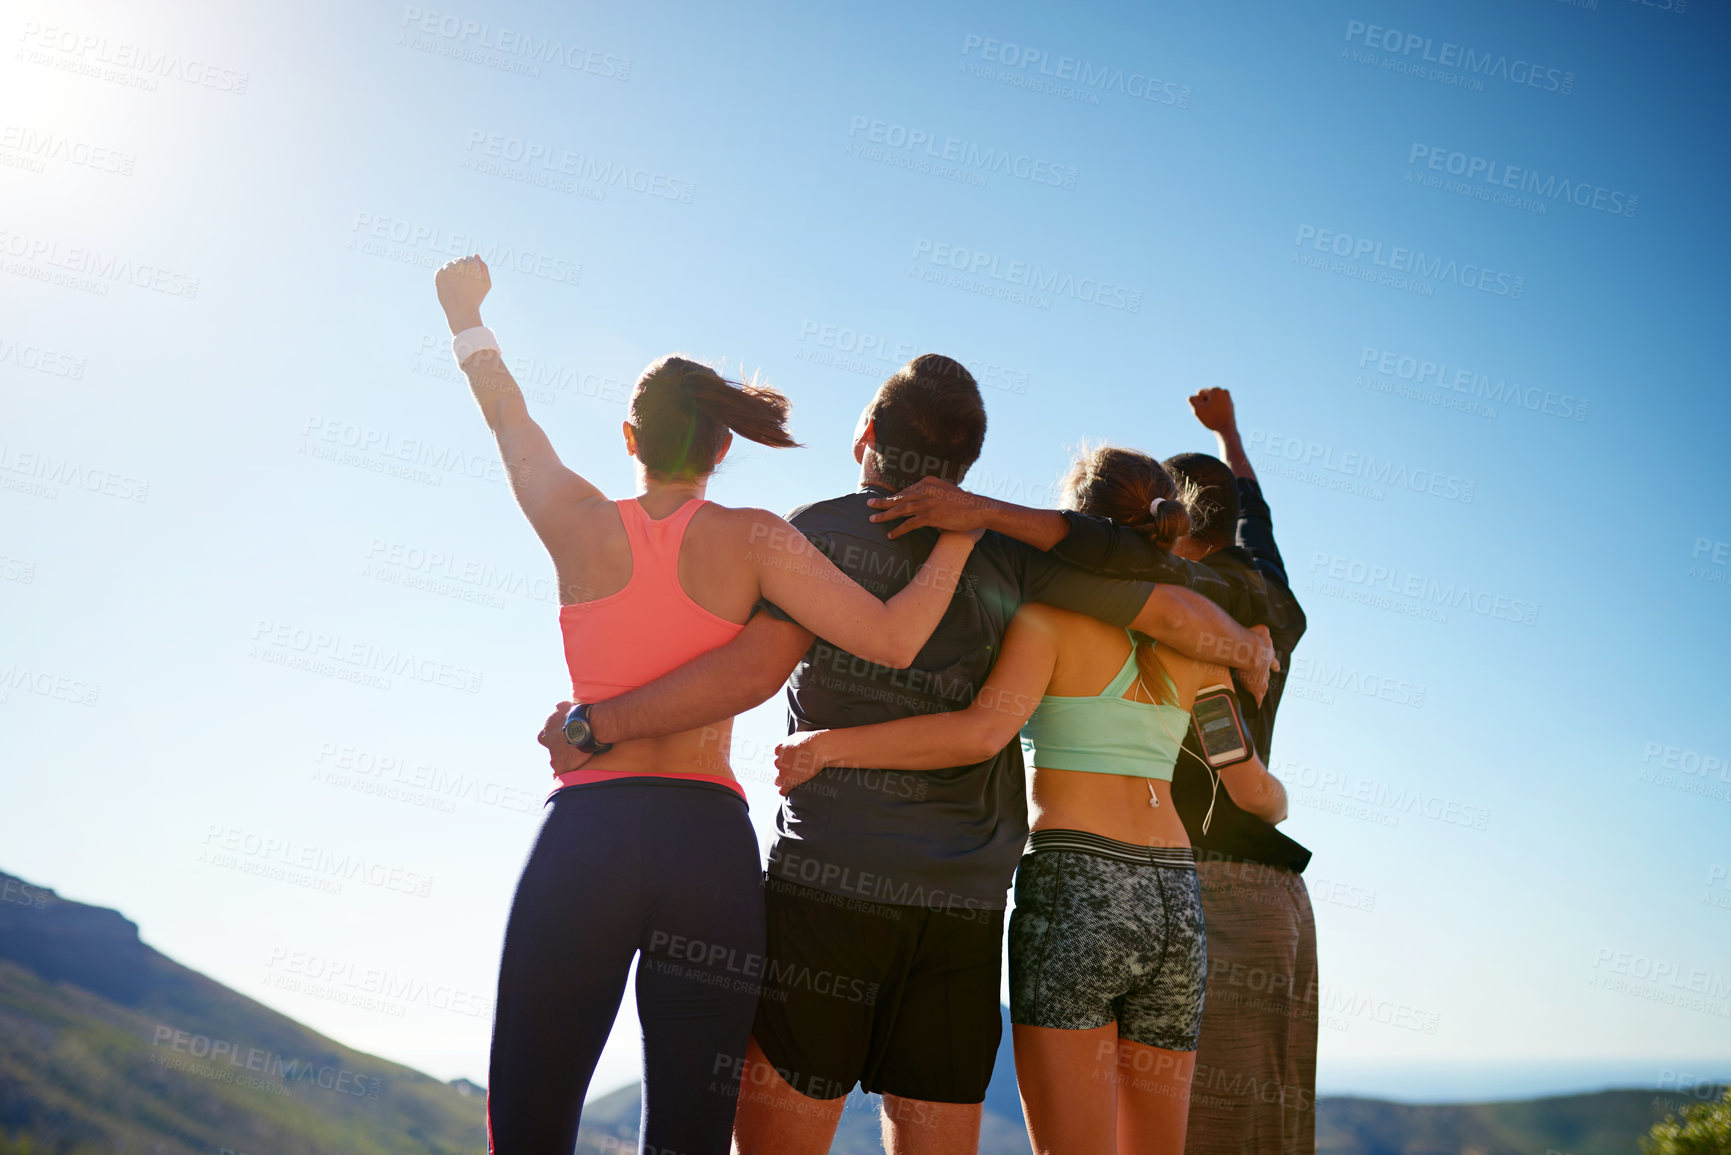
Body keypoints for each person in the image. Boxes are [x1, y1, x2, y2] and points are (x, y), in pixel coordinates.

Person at [537, 355, 1277, 1155]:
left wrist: (598, 721)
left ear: (865, 435)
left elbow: (747, 671)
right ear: (965, 465)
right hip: (957, 912)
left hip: (825, 889)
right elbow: (1141, 574)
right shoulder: (1010, 555)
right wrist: (1239, 643)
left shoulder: (810, 531)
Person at [433, 255, 982, 1155]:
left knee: (527, 1125)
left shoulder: (572, 517)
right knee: (690, 1135)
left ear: (627, 436)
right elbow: (891, 636)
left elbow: (507, 416)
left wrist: (466, 318)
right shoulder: (759, 540)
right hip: (707, 851)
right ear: (723, 448)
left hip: (585, 837)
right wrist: (959, 535)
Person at [772, 446, 1290, 1155]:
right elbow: (1250, 786)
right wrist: (1277, 801)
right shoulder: (1204, 651)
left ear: (1082, 524)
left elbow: (978, 733)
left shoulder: (1044, 622)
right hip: (1176, 897)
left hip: (1081, 882)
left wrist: (828, 746)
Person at [1165, 389, 1315, 1155]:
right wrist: (1229, 435)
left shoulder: (1174, 600)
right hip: (1276, 897)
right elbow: (1255, 513)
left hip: (1203, 882)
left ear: (1180, 522)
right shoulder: (1273, 597)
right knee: (1273, 1132)